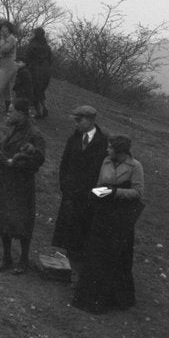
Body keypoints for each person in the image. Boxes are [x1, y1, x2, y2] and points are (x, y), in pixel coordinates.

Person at [72, 135, 145, 313]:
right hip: (103, 214)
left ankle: (112, 298)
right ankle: (87, 296)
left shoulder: (135, 166)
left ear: (120, 152)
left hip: (120, 217)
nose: (107, 150)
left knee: (115, 257)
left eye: (111, 148)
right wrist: (96, 193)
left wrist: (115, 192)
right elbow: (99, 184)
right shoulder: (106, 162)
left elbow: (138, 192)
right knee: (96, 253)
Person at [0, 98, 45, 274]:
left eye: (11, 111)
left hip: (20, 185)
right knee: (3, 219)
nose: (8, 114)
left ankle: (23, 259)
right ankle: (7, 257)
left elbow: (37, 160)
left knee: (21, 221)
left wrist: (12, 163)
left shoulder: (34, 135)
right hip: (4, 181)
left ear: (22, 114)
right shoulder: (14, 130)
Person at [51, 105, 109, 284]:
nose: (76, 124)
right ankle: (70, 269)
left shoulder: (103, 142)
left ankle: (80, 272)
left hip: (89, 197)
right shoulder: (74, 139)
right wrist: (64, 185)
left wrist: (94, 193)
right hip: (71, 195)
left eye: (79, 120)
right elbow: (65, 163)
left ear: (91, 120)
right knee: (69, 232)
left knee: (83, 234)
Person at [24, 27, 52, 119]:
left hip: (35, 70)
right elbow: (51, 60)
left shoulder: (33, 45)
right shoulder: (47, 47)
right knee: (41, 90)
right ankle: (44, 107)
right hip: (46, 71)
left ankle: (38, 111)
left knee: (34, 90)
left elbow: (28, 57)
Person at [0, 19, 18, 113]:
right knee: (5, 88)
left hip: (9, 66)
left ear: (9, 29)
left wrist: (2, 39)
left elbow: (4, 50)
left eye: (5, 28)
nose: (3, 30)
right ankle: (8, 107)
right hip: (4, 64)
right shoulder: (6, 38)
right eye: (2, 28)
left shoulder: (11, 38)